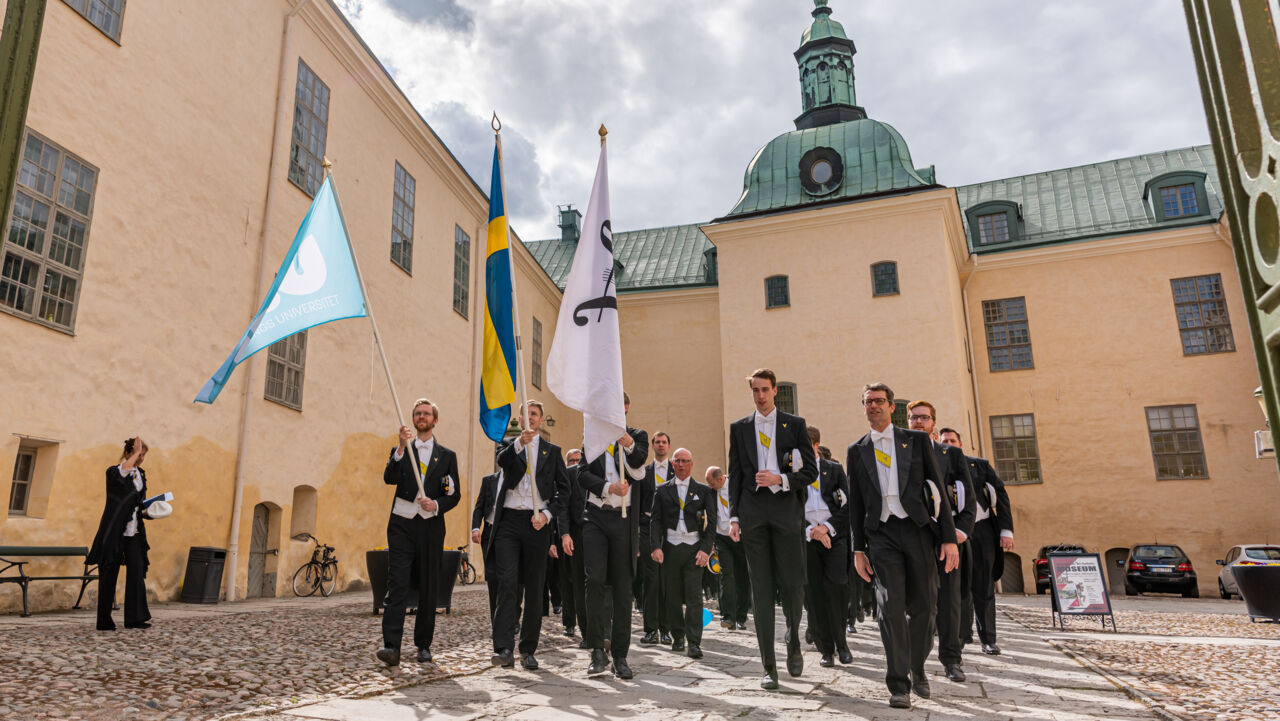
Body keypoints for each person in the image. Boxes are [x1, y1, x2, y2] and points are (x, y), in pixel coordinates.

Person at [847, 383, 959, 709]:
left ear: (892, 406)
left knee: (926, 606)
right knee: (889, 607)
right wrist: (858, 549)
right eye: (868, 402)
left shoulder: (918, 440)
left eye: (880, 401)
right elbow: (855, 504)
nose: (874, 406)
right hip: (880, 535)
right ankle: (899, 684)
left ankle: (918, 665)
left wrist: (949, 538)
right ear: (864, 407)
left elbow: (938, 489)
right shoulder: (857, 450)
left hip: (917, 530)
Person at [727, 368, 817, 690]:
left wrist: (781, 479)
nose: (760, 396)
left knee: (793, 585)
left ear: (775, 391)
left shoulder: (794, 425)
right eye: (755, 390)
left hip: (786, 511)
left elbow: (810, 471)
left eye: (765, 390)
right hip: (752, 513)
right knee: (760, 589)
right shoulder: (739, 428)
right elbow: (734, 474)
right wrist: (734, 516)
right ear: (751, 391)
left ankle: (793, 637)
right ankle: (768, 667)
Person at [568, 393, 649, 679]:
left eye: (619, 406)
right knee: (595, 580)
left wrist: (625, 441)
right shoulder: (593, 437)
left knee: (624, 588)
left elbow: (640, 461)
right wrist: (606, 488)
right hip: (596, 517)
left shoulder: (638, 435)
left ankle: (621, 655)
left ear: (626, 408)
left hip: (624, 522)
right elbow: (581, 474)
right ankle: (596, 652)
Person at [377, 399, 462, 666]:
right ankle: (391, 646)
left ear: (435, 421)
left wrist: (436, 504)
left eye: (426, 413)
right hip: (402, 525)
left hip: (431, 526)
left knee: (428, 585)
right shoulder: (402, 450)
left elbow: (454, 494)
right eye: (417, 413)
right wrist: (401, 447)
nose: (421, 416)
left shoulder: (447, 456)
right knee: (397, 583)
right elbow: (389, 478)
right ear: (412, 420)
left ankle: (423, 645)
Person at [490, 400, 567, 670]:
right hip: (509, 522)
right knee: (507, 582)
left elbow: (563, 492)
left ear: (541, 419)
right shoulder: (509, 445)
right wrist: (519, 443)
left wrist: (546, 516)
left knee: (535, 588)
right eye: (527, 415)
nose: (531, 418)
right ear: (521, 420)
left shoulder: (552, 452)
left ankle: (528, 649)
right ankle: (503, 648)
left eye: (535, 414)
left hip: (537, 524)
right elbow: (503, 461)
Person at [906, 401, 976, 684]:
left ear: (934, 422)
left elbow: (968, 498)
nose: (919, 422)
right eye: (913, 418)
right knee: (920, 603)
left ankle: (951, 658)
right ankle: (916, 660)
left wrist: (960, 532)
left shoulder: (951, 454)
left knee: (949, 602)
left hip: (947, 538)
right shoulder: (900, 453)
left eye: (924, 418)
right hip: (915, 539)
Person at [938, 428, 1014, 656]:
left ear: (960, 444)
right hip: (953, 532)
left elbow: (1000, 494)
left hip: (982, 532)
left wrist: (1006, 530)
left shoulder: (979, 465)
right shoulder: (938, 466)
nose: (949, 444)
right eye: (945, 441)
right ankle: (960, 637)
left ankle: (988, 639)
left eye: (953, 440)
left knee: (984, 587)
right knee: (957, 588)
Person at [649, 448, 715, 659]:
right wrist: (655, 547)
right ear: (673, 464)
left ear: (691, 464)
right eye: (677, 461)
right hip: (670, 546)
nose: (680, 465)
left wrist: (705, 549)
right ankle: (678, 636)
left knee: (694, 596)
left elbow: (712, 523)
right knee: (673, 596)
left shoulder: (703, 491)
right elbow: (655, 520)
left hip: (694, 548)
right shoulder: (662, 490)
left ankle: (694, 642)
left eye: (685, 461)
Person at [89, 437, 154, 631]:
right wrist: (135, 453)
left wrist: (150, 510)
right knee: (109, 572)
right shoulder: (114, 472)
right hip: (114, 530)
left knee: (136, 570)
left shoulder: (141, 474)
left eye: (143, 455)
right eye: (138, 454)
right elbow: (123, 473)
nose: (141, 458)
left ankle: (135, 618)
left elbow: (137, 501)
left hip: (134, 531)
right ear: (128, 453)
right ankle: (104, 620)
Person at [802, 426, 852, 668]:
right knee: (815, 594)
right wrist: (810, 530)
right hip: (808, 538)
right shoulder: (793, 473)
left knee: (836, 589)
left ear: (815, 445)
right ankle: (826, 648)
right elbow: (788, 508)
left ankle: (842, 643)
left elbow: (847, 505)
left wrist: (827, 528)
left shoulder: (833, 469)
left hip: (834, 537)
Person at [638, 431, 673, 645]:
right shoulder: (643, 472)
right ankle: (650, 629)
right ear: (652, 446)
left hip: (671, 531)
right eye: (657, 442)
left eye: (664, 442)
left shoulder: (676, 470)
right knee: (650, 581)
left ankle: (667, 629)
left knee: (667, 581)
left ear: (668, 446)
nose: (661, 445)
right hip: (647, 529)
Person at [706, 466, 749, 631]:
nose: (709, 486)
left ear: (720, 479)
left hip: (740, 536)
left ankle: (741, 617)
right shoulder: (710, 492)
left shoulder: (736, 486)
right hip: (721, 537)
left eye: (711, 483)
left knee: (742, 576)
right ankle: (728, 616)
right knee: (726, 575)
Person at [558, 449, 586, 643]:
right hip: (572, 536)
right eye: (573, 460)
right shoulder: (568, 475)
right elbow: (562, 508)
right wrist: (563, 534)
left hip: (596, 533)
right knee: (571, 583)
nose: (575, 462)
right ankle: (573, 623)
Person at [471, 468, 502, 628]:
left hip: (510, 531)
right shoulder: (488, 480)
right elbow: (479, 507)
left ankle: (512, 616)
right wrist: (476, 528)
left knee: (512, 579)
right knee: (493, 576)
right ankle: (495, 619)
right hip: (489, 533)